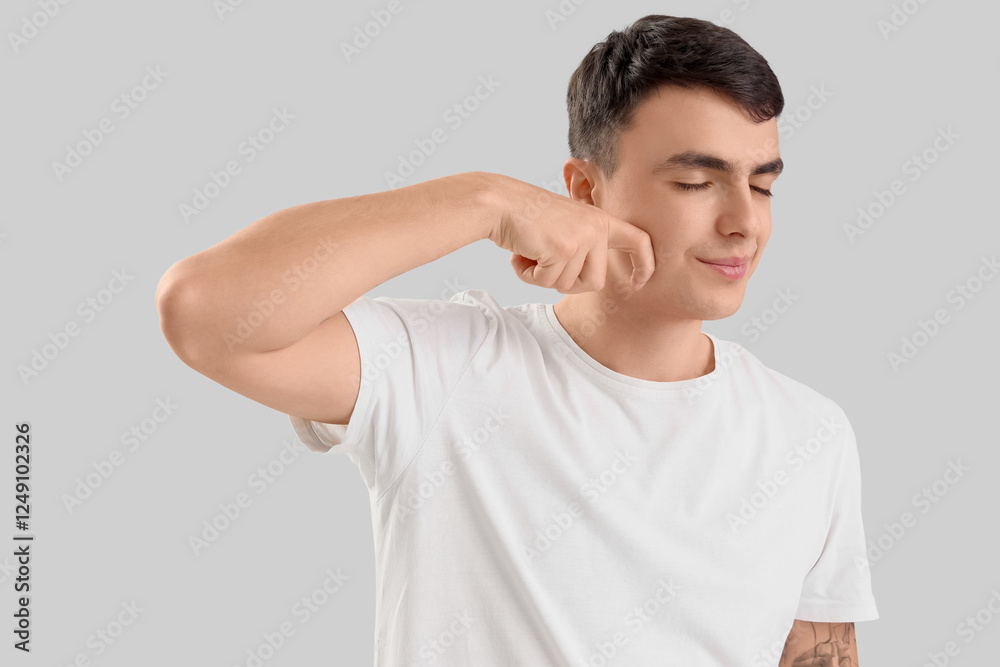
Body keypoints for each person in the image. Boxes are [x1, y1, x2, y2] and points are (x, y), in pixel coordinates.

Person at [155, 14, 878, 666]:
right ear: (585, 192)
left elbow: (818, 656)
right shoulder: (443, 369)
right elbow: (204, 310)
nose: (744, 222)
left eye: (763, 185)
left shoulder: (810, 433)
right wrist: (488, 201)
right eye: (697, 181)